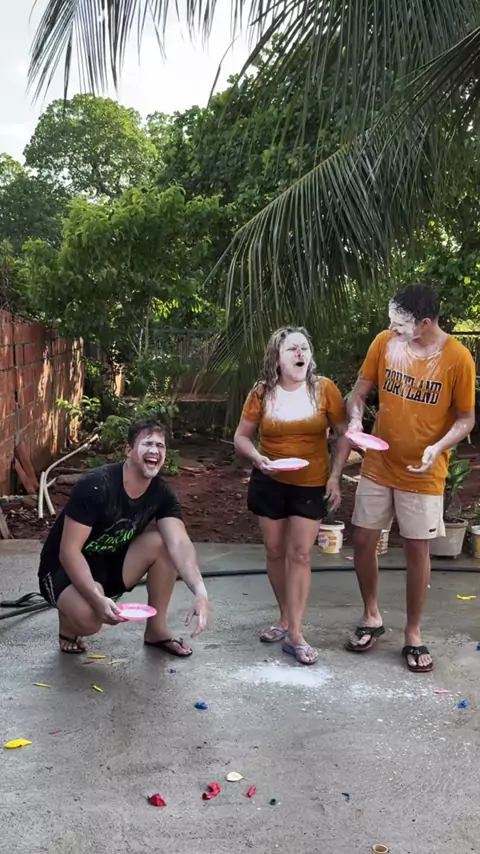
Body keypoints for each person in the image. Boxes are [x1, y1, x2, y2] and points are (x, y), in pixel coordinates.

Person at [344, 284, 475, 672]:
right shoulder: (384, 343)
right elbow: (359, 393)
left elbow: (466, 418)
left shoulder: (457, 358)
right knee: (363, 539)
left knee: (417, 550)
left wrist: (439, 447)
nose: (392, 328)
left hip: (424, 470)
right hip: (379, 463)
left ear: (425, 323)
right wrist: (355, 418)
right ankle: (371, 615)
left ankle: (413, 633)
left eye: (399, 323)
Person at [38, 417, 209, 656]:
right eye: (147, 443)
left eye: (160, 445)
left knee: (163, 544)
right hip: (61, 568)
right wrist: (96, 598)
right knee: (90, 620)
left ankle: (156, 630)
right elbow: (69, 551)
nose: (154, 450)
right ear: (128, 450)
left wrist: (200, 592)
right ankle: (68, 624)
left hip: (109, 565)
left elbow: (179, 542)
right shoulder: (96, 486)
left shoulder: (162, 493)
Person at [234, 326, 350, 665]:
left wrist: (335, 477)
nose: (300, 353)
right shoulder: (262, 392)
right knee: (274, 551)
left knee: (300, 554)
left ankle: (296, 633)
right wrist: (258, 459)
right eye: (291, 349)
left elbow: (344, 434)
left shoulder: (324, 389)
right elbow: (241, 437)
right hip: (269, 479)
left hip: (311, 482)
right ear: (277, 359)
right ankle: (284, 618)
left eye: (304, 348)